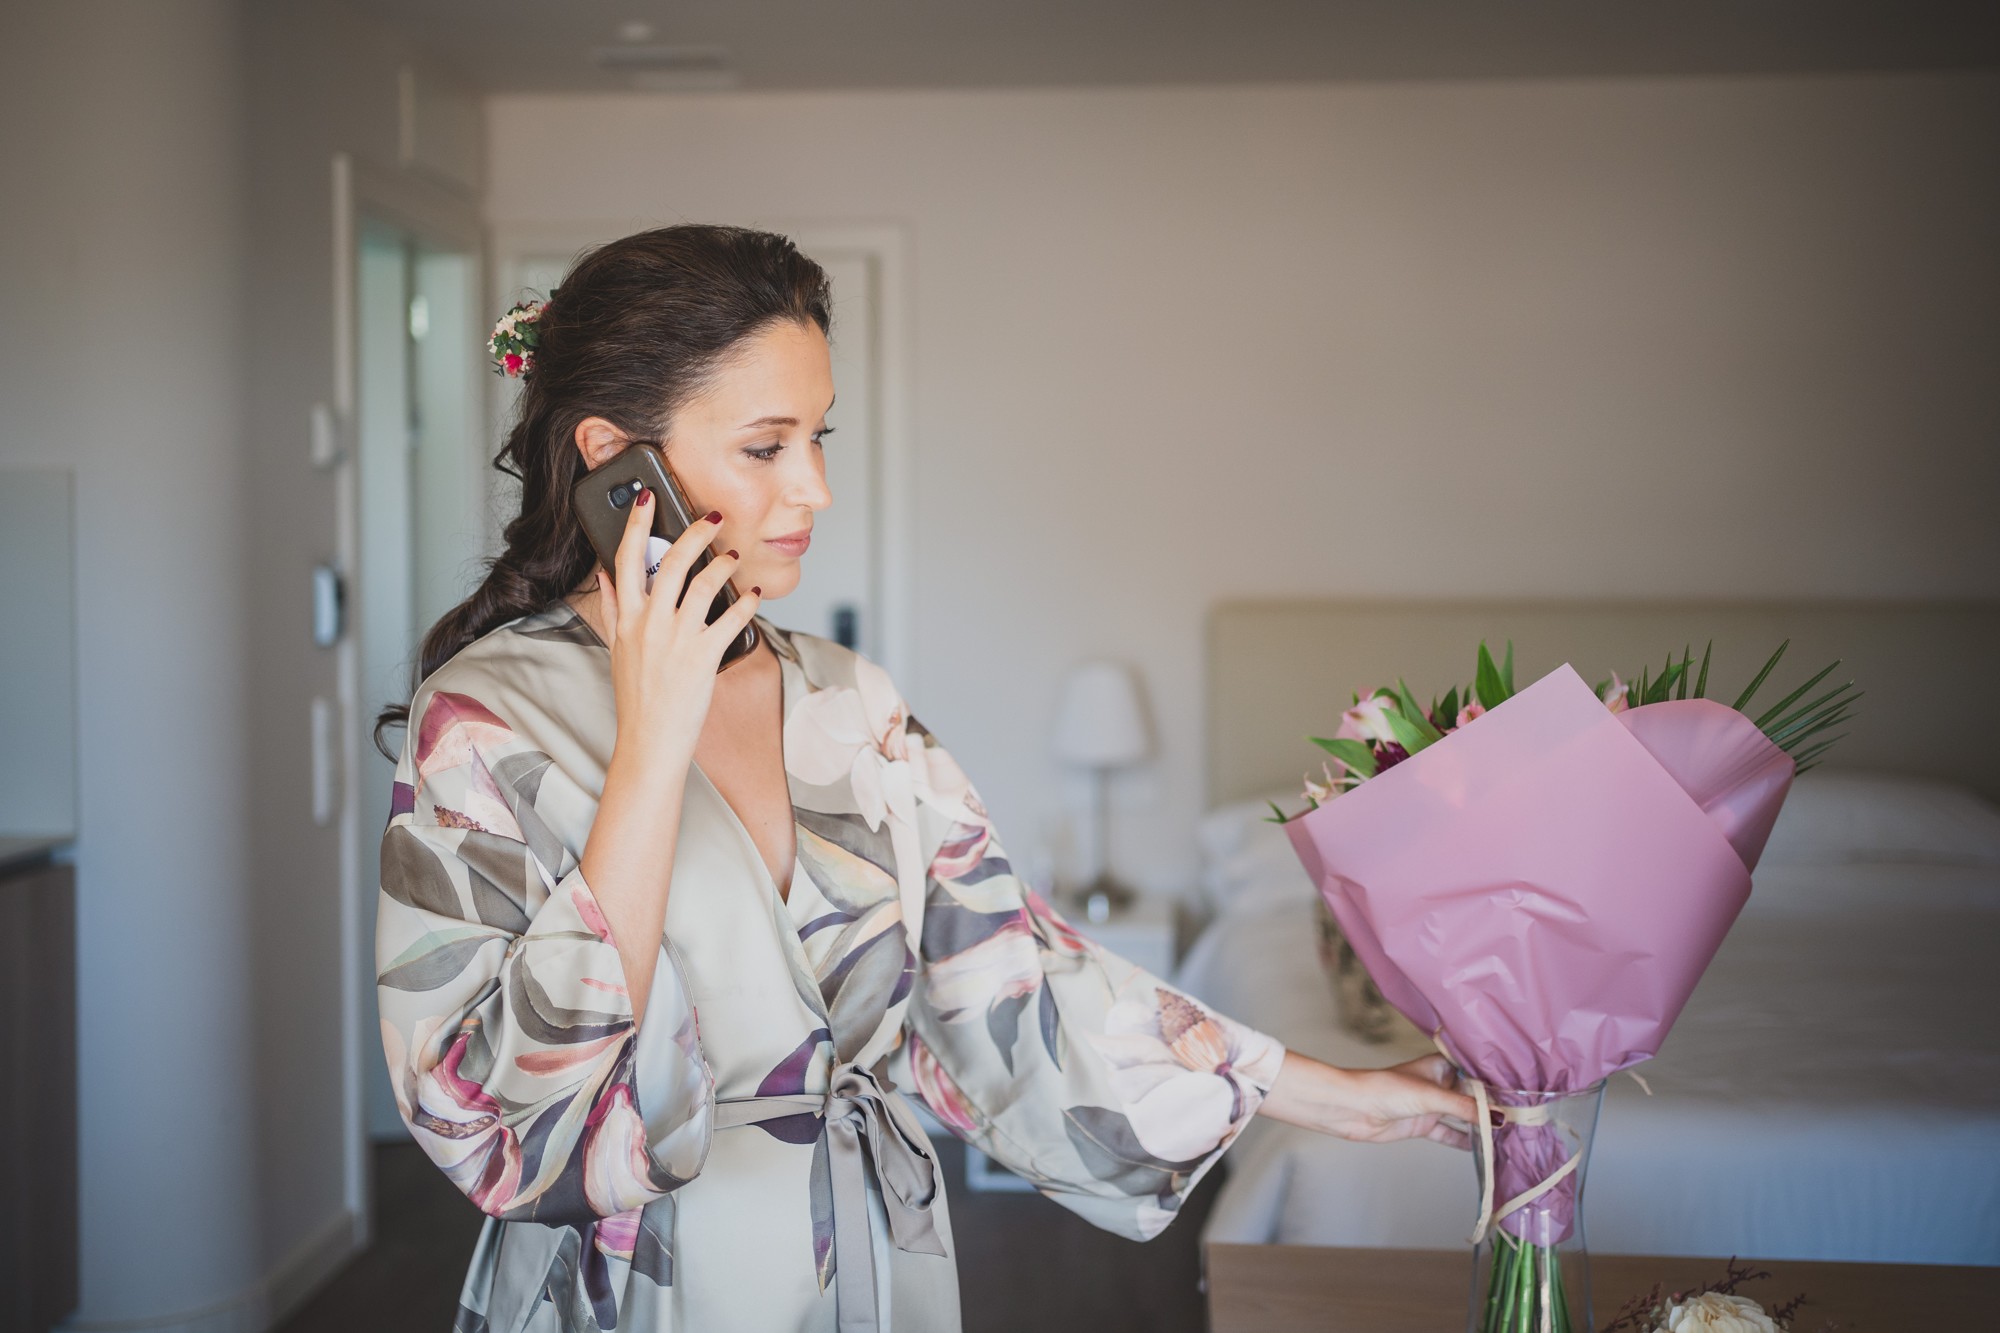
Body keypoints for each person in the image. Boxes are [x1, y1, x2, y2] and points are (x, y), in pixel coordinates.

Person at [373, 224, 1475, 1333]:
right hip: (637, 1287)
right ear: (618, 461)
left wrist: (1338, 1096)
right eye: (766, 446)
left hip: (871, 1266)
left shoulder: (854, 703)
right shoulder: (485, 717)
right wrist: (654, 741)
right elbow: (485, 1103)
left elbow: (1012, 977)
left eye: (819, 437)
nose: (815, 488)